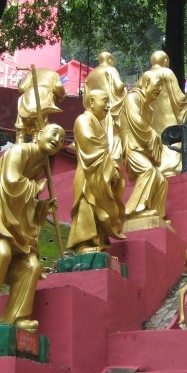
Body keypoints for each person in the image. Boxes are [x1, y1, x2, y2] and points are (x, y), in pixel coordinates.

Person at [0, 124, 65, 333]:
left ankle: (16, 317)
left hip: (19, 225)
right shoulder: (20, 151)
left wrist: (42, 207)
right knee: (1, 252)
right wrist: (37, 187)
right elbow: (12, 183)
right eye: (54, 134)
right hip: (1, 217)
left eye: (61, 139)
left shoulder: (41, 164)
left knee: (31, 265)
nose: (57, 140)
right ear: (39, 134)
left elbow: (26, 203)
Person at [67, 90, 126, 253]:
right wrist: (110, 166)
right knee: (87, 204)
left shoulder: (97, 124)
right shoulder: (83, 120)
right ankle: (83, 243)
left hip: (100, 174)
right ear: (92, 102)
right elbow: (89, 144)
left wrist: (113, 168)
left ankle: (98, 241)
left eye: (109, 102)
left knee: (100, 206)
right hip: (88, 173)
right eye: (105, 101)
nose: (108, 106)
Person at [119, 70, 168, 219]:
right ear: (146, 83)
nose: (160, 89)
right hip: (131, 148)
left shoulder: (149, 110)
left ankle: (155, 213)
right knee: (148, 171)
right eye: (158, 85)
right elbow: (138, 125)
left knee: (162, 180)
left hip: (142, 150)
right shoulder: (132, 98)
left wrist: (154, 141)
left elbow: (146, 131)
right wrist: (154, 135)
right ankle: (134, 211)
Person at [147, 51, 187, 176]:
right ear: (165, 62)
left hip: (151, 117)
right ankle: (169, 168)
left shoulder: (145, 75)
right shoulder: (167, 72)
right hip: (168, 115)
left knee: (155, 142)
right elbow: (178, 97)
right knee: (171, 142)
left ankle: (154, 167)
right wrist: (184, 110)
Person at [84, 51, 127, 160]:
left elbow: (85, 96)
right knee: (111, 132)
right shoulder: (111, 70)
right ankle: (111, 153)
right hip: (109, 106)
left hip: (93, 108)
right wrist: (125, 91)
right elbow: (119, 86)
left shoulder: (90, 75)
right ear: (110, 60)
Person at [14, 68, 65, 143]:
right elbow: (58, 86)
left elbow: (21, 88)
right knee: (38, 130)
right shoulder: (54, 74)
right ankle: (35, 147)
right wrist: (62, 95)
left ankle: (18, 147)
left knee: (21, 130)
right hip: (43, 96)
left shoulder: (32, 73)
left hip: (28, 95)